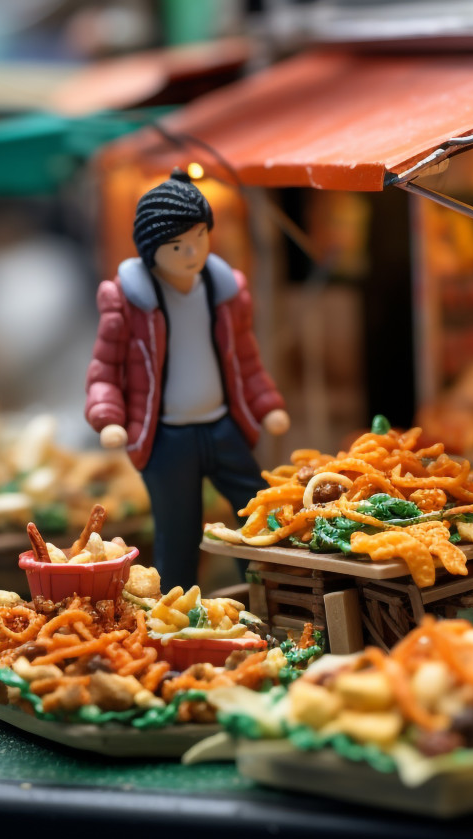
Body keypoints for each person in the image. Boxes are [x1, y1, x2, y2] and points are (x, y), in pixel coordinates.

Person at [84, 168, 288, 588]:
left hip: (222, 426)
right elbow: (106, 368)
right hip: (167, 437)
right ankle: (176, 613)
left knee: (257, 510)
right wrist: (109, 418)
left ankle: (266, 594)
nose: (192, 252)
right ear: (150, 251)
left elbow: (245, 359)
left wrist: (267, 405)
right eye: (177, 245)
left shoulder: (225, 291)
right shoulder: (128, 302)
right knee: (178, 531)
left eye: (199, 237)